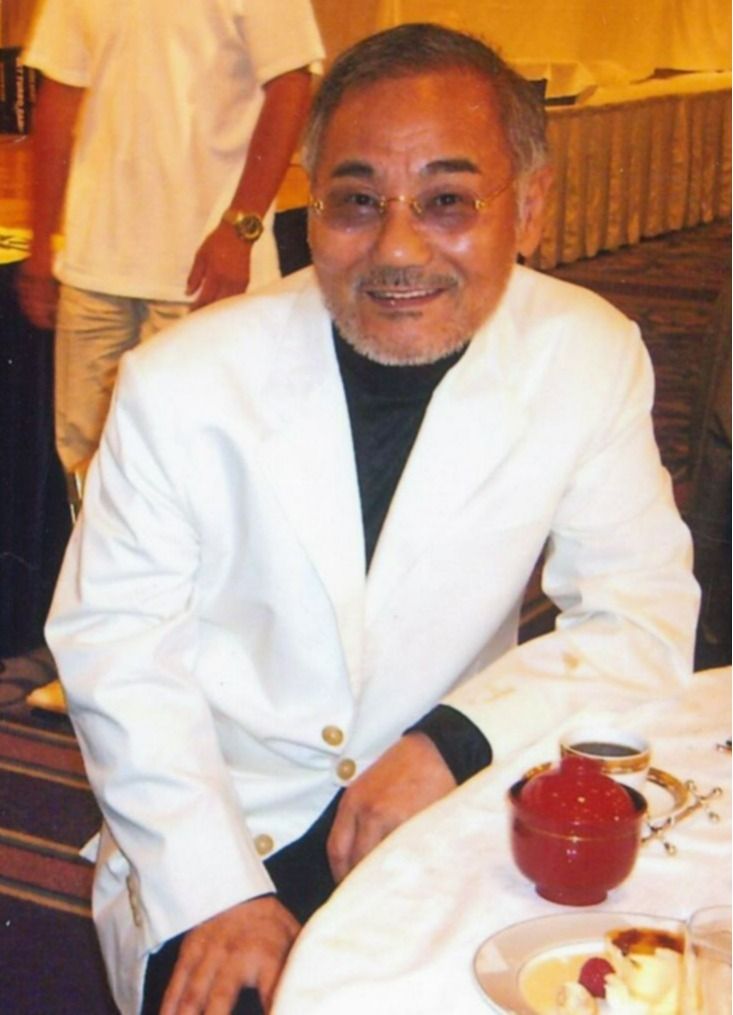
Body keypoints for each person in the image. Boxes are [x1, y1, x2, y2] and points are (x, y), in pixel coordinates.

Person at [45, 23, 700, 1015]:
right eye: (356, 201)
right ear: (313, 206)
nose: (397, 248)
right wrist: (221, 891)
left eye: (447, 201)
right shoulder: (179, 383)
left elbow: (637, 619)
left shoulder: (586, 352)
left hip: (448, 805)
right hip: (221, 821)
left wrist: (453, 741)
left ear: (528, 205)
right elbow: (116, 646)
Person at [17, 0, 324, 476]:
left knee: (202, 465)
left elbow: (291, 84)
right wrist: (41, 247)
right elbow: (58, 95)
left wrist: (240, 227)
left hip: (208, 274)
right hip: (94, 269)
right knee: (85, 466)